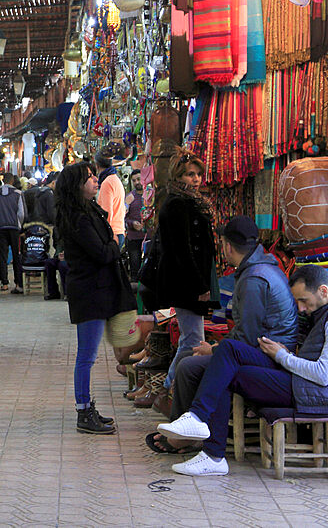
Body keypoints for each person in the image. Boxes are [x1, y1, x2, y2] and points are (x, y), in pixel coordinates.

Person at [158, 265, 328, 476]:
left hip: (310, 392)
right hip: (299, 381)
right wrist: (287, 355)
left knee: (227, 367)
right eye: (298, 302)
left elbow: (323, 374)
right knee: (228, 355)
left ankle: (209, 445)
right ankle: (201, 427)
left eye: (304, 300)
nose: (301, 308)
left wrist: (283, 357)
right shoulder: (319, 314)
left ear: (323, 291)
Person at [149, 216, 299, 453]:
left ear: (228, 246)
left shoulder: (255, 278)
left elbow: (249, 338)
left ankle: (188, 434)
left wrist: (215, 349)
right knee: (191, 361)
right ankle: (184, 429)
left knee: (190, 366)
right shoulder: (259, 268)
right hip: (263, 349)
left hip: (270, 355)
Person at [55, 162, 139, 435]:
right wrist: (116, 244)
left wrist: (111, 245)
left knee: (89, 355)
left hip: (96, 289)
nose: (94, 181)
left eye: (93, 176)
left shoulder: (88, 211)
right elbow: (102, 252)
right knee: (87, 356)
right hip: (89, 292)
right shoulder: (78, 218)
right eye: (88, 178)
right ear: (76, 186)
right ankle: (83, 411)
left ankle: (88, 407)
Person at [149, 152, 217, 414]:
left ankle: (169, 388)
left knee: (192, 336)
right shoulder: (177, 205)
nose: (196, 179)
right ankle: (169, 389)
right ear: (178, 176)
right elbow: (182, 251)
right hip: (186, 282)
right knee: (193, 338)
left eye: (198, 174)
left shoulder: (190, 202)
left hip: (191, 279)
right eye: (190, 174)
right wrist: (199, 286)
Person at [0, 172, 27, 294]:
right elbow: (21, 213)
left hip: (0, 229)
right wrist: (19, 225)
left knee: (2, 256)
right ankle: (18, 283)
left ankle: (4, 283)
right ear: (13, 181)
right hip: (14, 228)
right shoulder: (18, 194)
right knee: (16, 255)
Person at [95, 150, 126, 245]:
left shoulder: (107, 183)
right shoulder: (115, 179)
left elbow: (106, 213)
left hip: (112, 233)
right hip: (118, 231)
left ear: (97, 165)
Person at [124, 169, 146, 276]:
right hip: (134, 239)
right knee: (135, 268)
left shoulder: (150, 195)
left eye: (139, 179)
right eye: (134, 180)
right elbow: (123, 217)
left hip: (148, 238)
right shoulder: (129, 198)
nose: (137, 182)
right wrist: (132, 223)